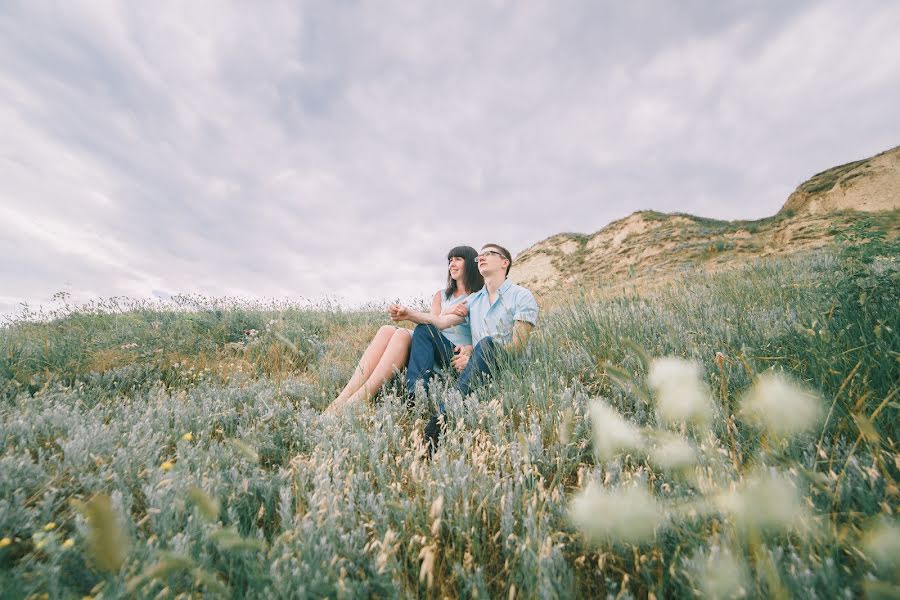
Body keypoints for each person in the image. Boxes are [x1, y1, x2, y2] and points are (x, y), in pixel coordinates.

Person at [389, 243, 538, 449]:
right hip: (470, 366)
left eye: (489, 254)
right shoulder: (474, 299)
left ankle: (442, 418)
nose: (482, 258)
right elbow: (441, 321)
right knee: (425, 329)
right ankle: (415, 394)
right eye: (480, 256)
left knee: (486, 344)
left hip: (504, 368)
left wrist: (475, 357)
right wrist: (409, 314)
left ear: (505, 263)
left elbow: (518, 347)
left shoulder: (521, 296)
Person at [324, 246, 483, 415]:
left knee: (415, 330)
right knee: (387, 330)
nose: (452, 264)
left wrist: (470, 347)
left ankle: (361, 398)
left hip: (453, 354)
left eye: (458, 259)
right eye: (450, 260)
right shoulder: (441, 295)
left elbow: (442, 324)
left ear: (471, 263)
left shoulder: (477, 296)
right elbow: (435, 321)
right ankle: (344, 398)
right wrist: (445, 311)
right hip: (430, 349)